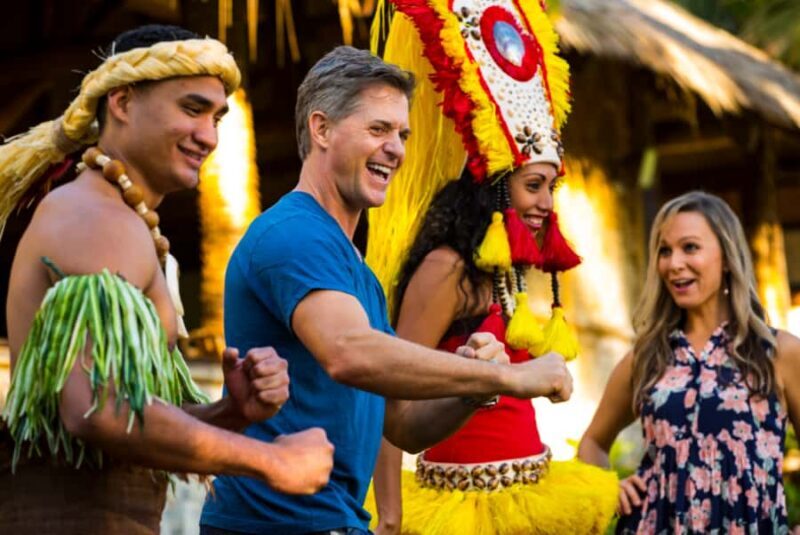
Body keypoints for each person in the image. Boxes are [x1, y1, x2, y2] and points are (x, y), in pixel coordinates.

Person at [199, 44, 575, 535]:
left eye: (401, 133)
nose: (396, 148)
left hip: (331, 522)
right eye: (378, 129)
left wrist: (478, 384)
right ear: (322, 129)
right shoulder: (292, 232)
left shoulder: (359, 271)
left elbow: (400, 424)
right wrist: (513, 379)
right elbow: (348, 352)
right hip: (273, 525)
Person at [0, 25, 333, 534]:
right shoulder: (93, 217)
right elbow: (95, 408)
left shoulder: (121, 219)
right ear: (123, 102)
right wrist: (271, 461)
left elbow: (125, 430)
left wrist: (228, 411)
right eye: (192, 109)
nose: (209, 135)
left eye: (216, 117)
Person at [364, 2, 618, 534]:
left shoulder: (502, 272)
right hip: (464, 515)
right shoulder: (446, 269)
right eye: (534, 186)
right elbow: (387, 394)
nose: (547, 203)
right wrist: (387, 517)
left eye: (552, 187)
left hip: (530, 495)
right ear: (496, 187)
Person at [578, 191, 800, 533]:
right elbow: (592, 442)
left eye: (690, 247)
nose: (673, 263)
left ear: (726, 257)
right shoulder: (648, 356)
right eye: (664, 251)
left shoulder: (778, 352)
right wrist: (608, 488)